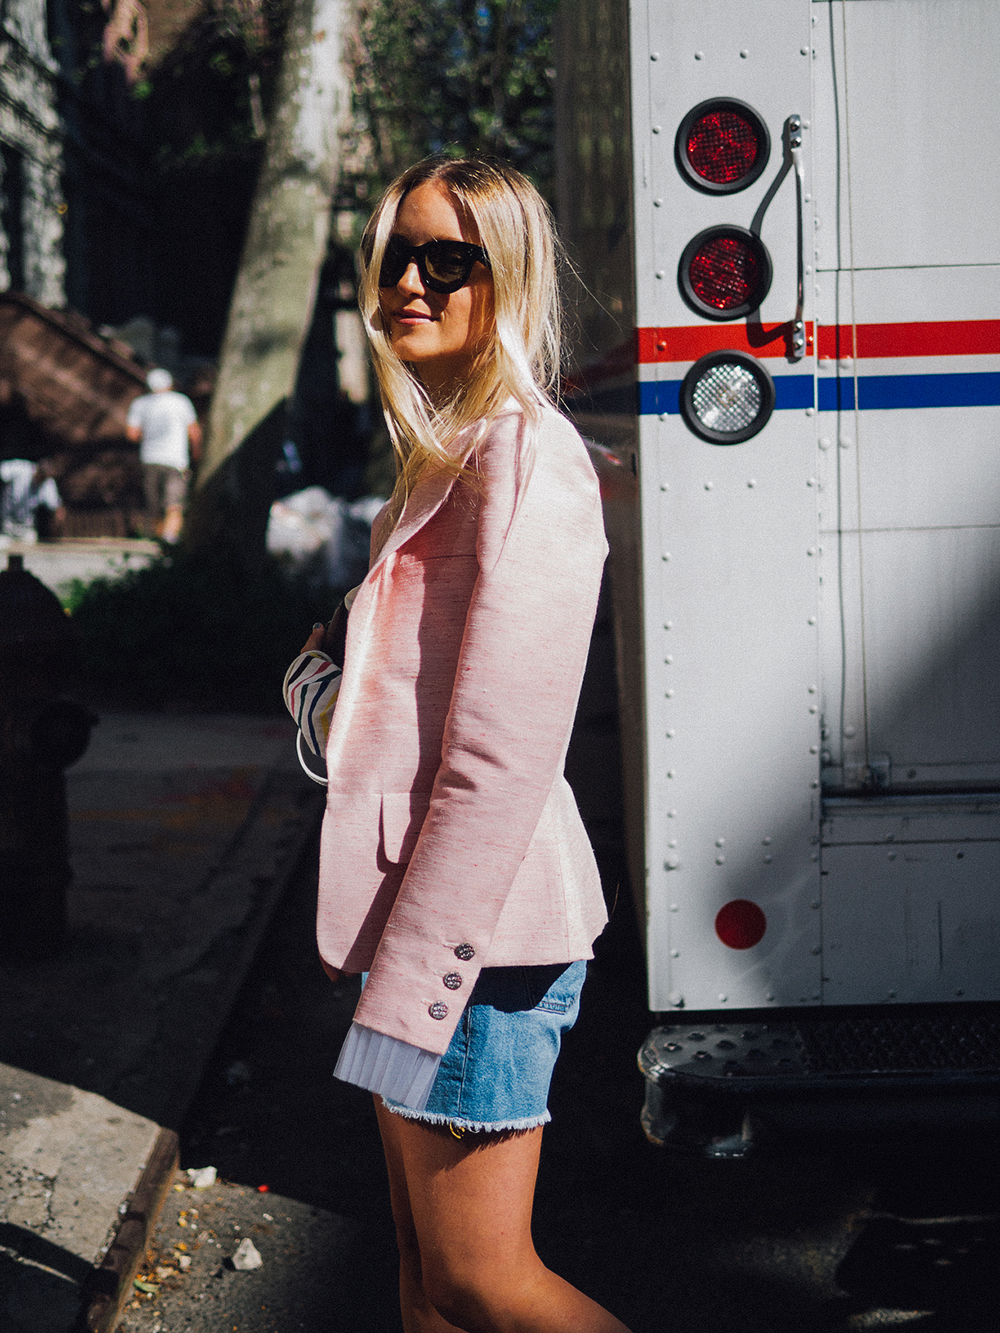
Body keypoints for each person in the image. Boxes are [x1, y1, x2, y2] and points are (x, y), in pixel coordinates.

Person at [298, 158, 632, 1333]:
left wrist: (410, 989)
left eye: (451, 260)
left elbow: (501, 764)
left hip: (474, 954)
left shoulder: (527, 464)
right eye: (396, 253)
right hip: (419, 923)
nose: (412, 282)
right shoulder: (447, 452)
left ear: (510, 276)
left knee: (488, 1279)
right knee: (424, 1273)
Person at [125, 368, 201, 543]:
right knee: (174, 504)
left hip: (149, 458)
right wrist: (196, 453)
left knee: (154, 505)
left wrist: (149, 434)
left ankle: (157, 542)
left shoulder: (140, 404)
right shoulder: (181, 402)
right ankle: (169, 540)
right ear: (170, 384)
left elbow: (132, 434)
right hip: (176, 460)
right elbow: (194, 432)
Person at [0, 458, 65, 543]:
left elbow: (57, 508)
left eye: (44, 478)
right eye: (40, 475)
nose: (41, 480)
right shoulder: (20, 468)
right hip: (6, 526)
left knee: (32, 547)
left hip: (26, 528)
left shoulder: (48, 483)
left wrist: (57, 521)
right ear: (37, 469)